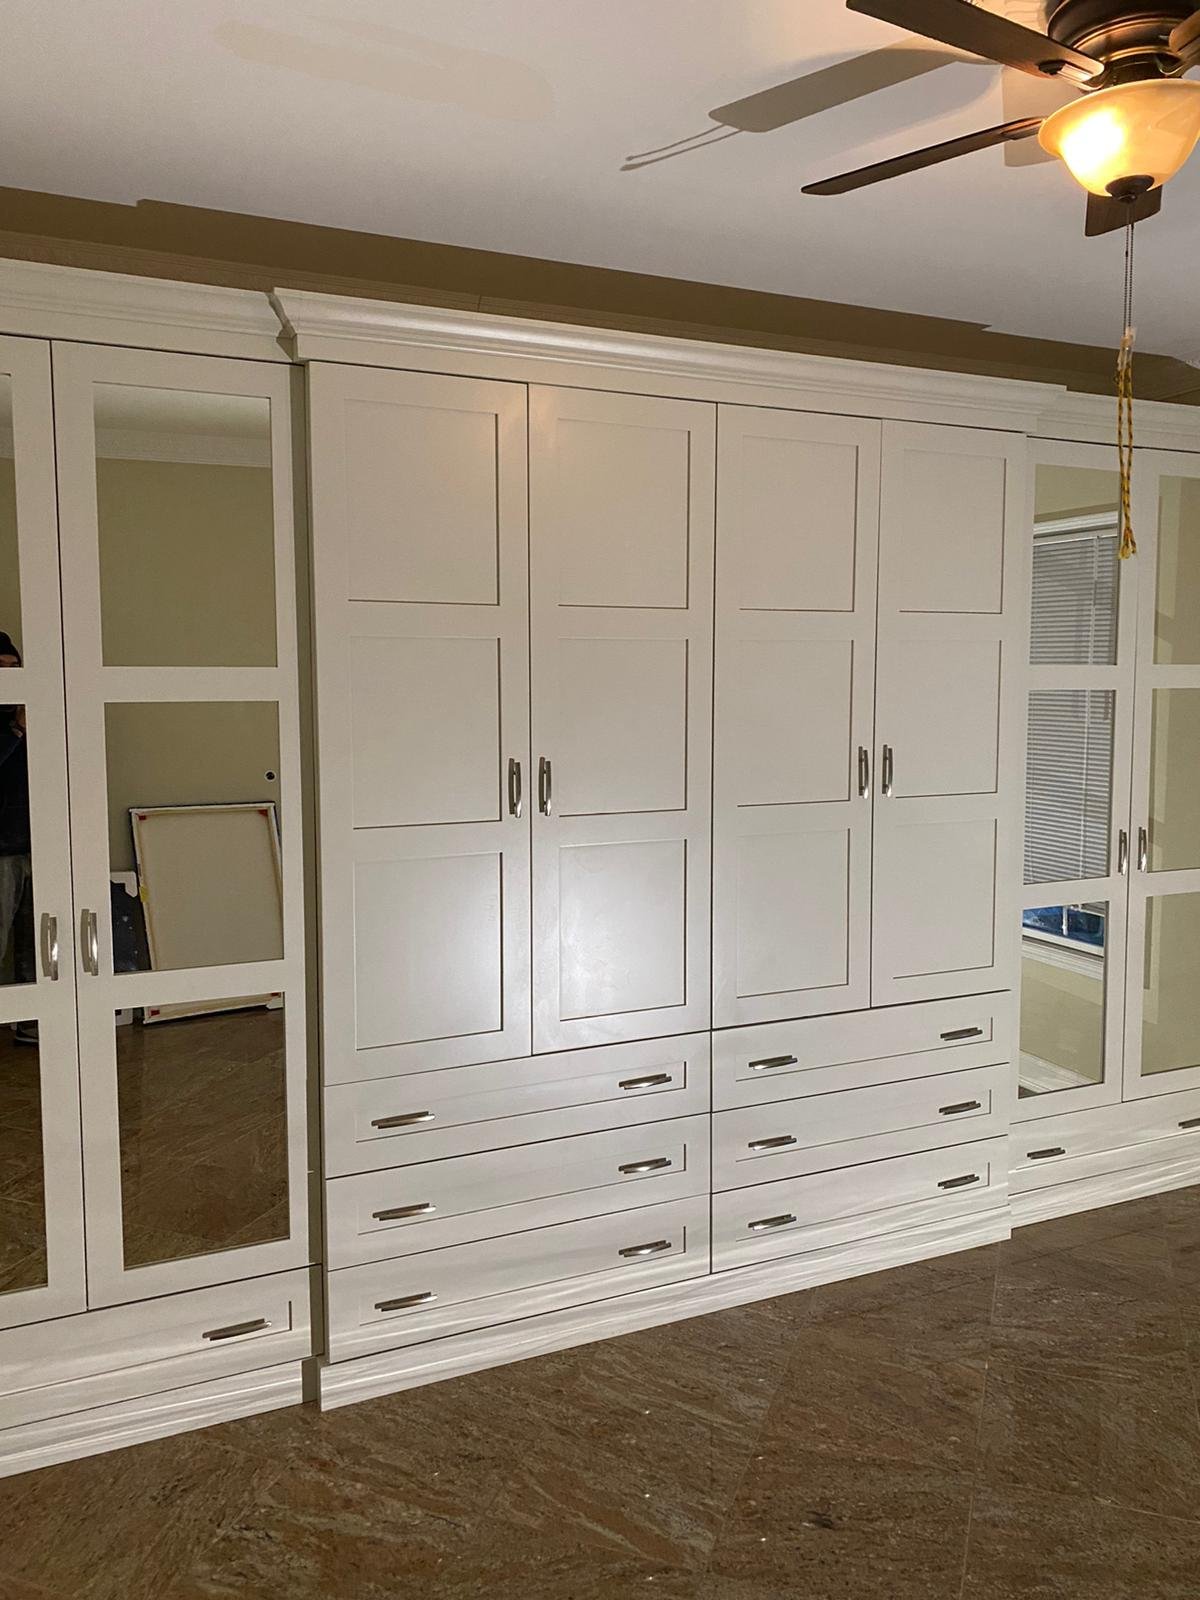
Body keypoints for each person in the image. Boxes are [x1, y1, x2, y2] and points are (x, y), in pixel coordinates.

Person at [0, 630, 35, 1035]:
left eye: (15, 667)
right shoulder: (11, 726)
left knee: (40, 937)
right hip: (2, 847)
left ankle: (31, 1020)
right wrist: (16, 731)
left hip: (40, 838)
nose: (10, 675)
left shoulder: (35, 711)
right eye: (2, 668)